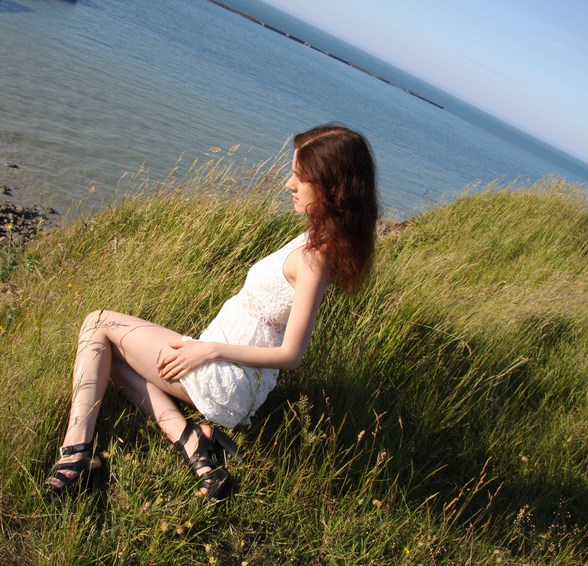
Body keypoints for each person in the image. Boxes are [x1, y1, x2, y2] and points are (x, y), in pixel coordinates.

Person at [44, 124, 379, 500]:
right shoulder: (321, 240)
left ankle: (74, 455)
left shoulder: (314, 258)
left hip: (224, 373)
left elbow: (292, 355)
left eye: (301, 177)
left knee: (98, 323)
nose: (289, 184)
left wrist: (208, 350)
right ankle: (193, 443)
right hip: (230, 370)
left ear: (331, 187)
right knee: (112, 359)